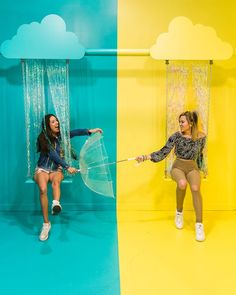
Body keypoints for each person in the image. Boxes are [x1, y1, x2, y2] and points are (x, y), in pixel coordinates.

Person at [136, 111, 206, 242]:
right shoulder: (176, 136)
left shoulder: (201, 137)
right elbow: (163, 151)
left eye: (182, 122)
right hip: (178, 167)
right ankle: (179, 213)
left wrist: (202, 168)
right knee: (182, 184)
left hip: (192, 168)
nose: (180, 124)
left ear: (190, 123)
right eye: (179, 121)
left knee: (195, 188)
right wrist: (145, 157)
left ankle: (199, 225)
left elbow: (200, 154)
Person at [34, 114, 102, 241]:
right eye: (53, 122)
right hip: (42, 169)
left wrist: (89, 131)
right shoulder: (43, 138)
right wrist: (67, 166)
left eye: (56, 121)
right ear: (47, 125)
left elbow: (74, 133)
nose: (56, 123)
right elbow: (52, 154)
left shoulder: (61, 136)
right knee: (43, 189)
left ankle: (55, 204)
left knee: (56, 182)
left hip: (56, 169)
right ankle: (46, 224)